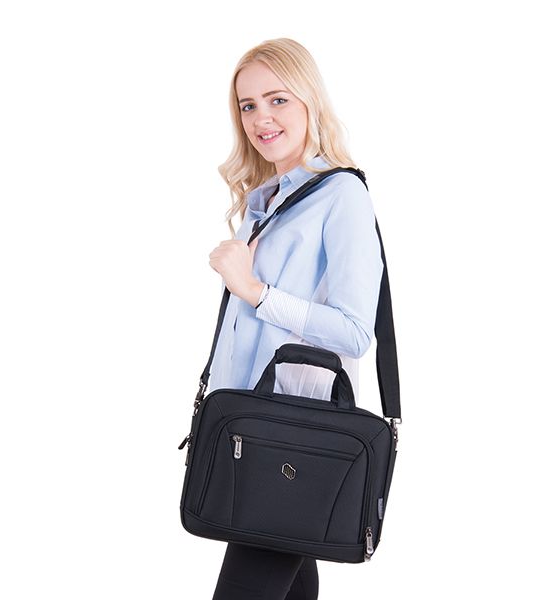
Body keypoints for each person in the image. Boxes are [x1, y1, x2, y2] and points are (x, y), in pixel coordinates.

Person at [205, 38, 384, 600]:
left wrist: (256, 292)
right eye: (248, 105)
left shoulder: (342, 195)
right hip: (251, 429)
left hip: (292, 438)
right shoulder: (268, 201)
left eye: (277, 99)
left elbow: (355, 331)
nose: (261, 118)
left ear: (310, 100)